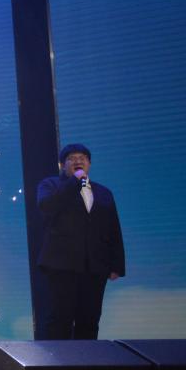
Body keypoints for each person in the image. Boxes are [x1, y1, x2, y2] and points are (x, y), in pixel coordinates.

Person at [35, 143, 125, 340]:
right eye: (72, 158)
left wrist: (116, 264)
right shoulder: (51, 185)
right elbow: (47, 206)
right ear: (62, 165)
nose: (78, 161)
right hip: (61, 266)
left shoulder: (103, 192)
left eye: (82, 158)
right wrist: (74, 182)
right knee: (59, 318)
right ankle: (56, 359)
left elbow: (113, 227)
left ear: (89, 164)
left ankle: (87, 358)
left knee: (90, 319)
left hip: (95, 267)